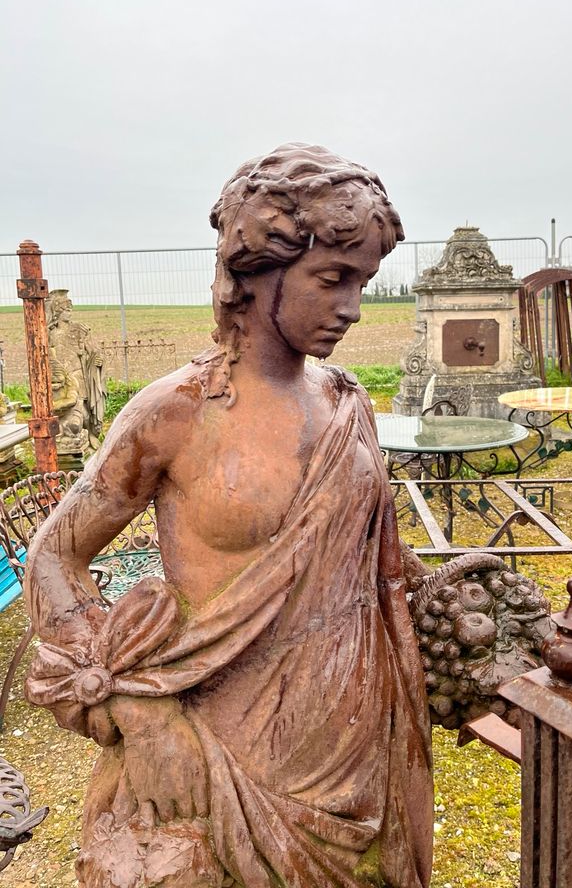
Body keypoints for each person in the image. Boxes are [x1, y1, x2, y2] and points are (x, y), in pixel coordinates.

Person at [24, 144, 434, 888]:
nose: (352, 307)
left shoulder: (349, 403)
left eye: (365, 282)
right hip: (214, 761)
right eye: (333, 278)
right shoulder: (175, 413)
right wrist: (142, 720)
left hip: (355, 754)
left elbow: (380, 573)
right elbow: (52, 557)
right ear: (258, 272)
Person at [45, 289, 106, 450]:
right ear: (57, 311)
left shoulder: (79, 329)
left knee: (83, 407)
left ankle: (90, 433)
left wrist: (97, 360)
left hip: (77, 374)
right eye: (65, 310)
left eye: (70, 309)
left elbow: (93, 349)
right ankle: (63, 436)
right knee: (61, 408)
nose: (69, 313)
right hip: (59, 377)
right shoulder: (50, 333)